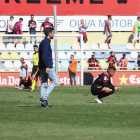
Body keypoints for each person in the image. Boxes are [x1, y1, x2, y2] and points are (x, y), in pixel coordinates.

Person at [39, 27, 58, 107]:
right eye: (53, 33)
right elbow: (44, 56)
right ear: (49, 34)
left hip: (41, 66)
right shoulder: (46, 43)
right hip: (47, 66)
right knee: (55, 81)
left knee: (43, 84)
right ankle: (44, 98)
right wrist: (47, 66)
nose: (53, 34)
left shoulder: (42, 42)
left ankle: (43, 103)